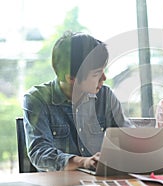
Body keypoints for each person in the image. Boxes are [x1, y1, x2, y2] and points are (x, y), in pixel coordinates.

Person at [23, 31, 132, 171]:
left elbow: (126, 137)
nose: (104, 78)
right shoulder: (37, 99)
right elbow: (40, 153)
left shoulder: (106, 96)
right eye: (96, 74)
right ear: (71, 78)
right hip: (60, 185)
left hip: (100, 184)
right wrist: (83, 162)